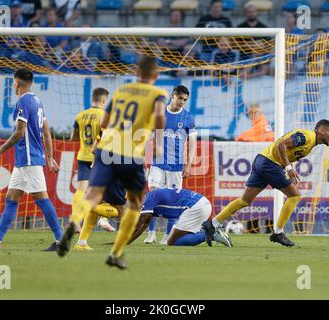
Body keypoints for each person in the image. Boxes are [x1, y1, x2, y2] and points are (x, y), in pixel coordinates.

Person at [57, 56, 167, 270]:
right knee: (134, 204)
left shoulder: (120, 91)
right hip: (129, 152)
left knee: (91, 196)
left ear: (136, 72)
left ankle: (72, 225)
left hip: (105, 148)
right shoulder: (158, 94)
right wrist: (159, 142)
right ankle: (115, 253)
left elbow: (103, 122)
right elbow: (160, 115)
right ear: (155, 75)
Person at [0, 69, 63, 251]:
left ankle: (61, 240)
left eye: (13, 83)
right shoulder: (37, 101)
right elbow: (46, 131)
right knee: (11, 198)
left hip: (29, 158)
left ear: (17, 83)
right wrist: (50, 157)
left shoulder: (23, 101)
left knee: (41, 198)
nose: (13, 85)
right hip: (24, 160)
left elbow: (19, 132)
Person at [211, 120, 329, 247]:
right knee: (295, 196)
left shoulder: (310, 144)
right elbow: (281, 145)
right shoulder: (307, 136)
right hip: (270, 164)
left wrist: (286, 166)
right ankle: (278, 233)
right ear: (321, 130)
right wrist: (289, 168)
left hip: (262, 159)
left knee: (245, 201)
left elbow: (285, 150)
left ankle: (212, 224)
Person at [144, 85, 196, 245]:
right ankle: (150, 233)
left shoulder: (188, 118)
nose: (182, 102)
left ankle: (167, 236)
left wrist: (188, 166)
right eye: (180, 98)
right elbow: (147, 137)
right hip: (158, 164)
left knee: (174, 201)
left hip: (176, 167)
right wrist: (145, 158)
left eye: (185, 100)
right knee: (152, 197)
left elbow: (193, 144)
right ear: (173, 95)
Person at [70, 88, 120, 245]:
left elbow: (72, 137)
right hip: (99, 158)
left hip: (83, 156)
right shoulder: (104, 116)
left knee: (81, 190)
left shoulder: (80, 115)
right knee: (105, 191)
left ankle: (75, 221)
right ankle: (103, 219)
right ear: (104, 100)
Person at [129, 188, 231, 247]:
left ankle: (211, 233)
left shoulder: (149, 200)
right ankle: (208, 230)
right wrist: (127, 242)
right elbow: (144, 225)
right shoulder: (151, 198)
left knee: (171, 242)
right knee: (179, 240)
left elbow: (139, 223)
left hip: (195, 207)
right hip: (201, 203)